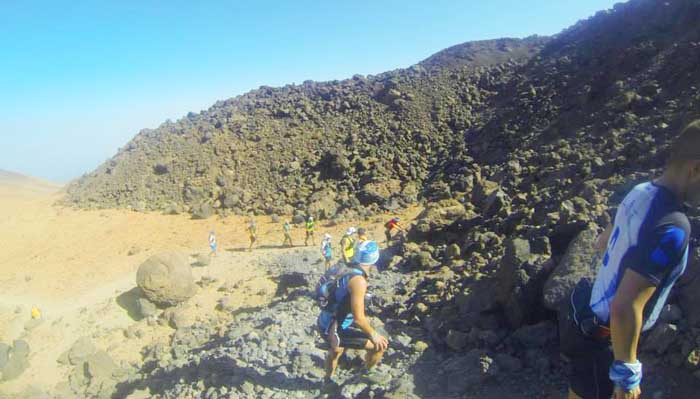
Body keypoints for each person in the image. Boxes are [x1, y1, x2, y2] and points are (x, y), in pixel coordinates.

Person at [560, 120, 700, 399]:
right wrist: (626, 375)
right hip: (605, 340)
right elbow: (624, 306)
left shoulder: (640, 191)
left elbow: (603, 243)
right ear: (696, 169)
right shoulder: (673, 227)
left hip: (581, 319)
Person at [318, 240, 389, 384]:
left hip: (325, 321)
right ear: (375, 258)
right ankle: (366, 373)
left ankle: (327, 381)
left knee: (336, 351)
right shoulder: (358, 281)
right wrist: (374, 335)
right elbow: (359, 319)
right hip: (336, 329)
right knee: (379, 346)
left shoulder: (344, 266)